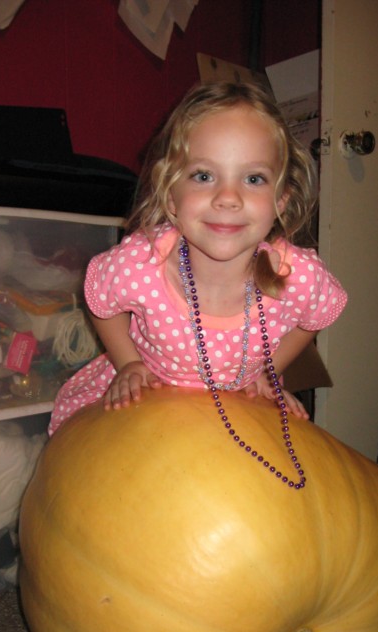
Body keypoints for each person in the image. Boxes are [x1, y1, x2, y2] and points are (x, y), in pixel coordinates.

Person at [48, 81, 347, 437]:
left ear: (281, 200)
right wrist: (128, 363)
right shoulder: (141, 263)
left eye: (253, 178)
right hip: (147, 402)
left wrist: (270, 372)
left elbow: (316, 316)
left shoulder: (296, 275)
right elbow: (102, 301)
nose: (228, 197)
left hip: (242, 406)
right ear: (170, 195)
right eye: (204, 176)